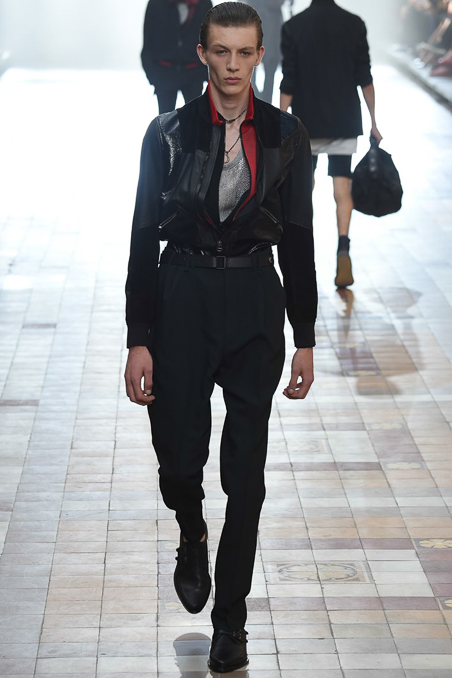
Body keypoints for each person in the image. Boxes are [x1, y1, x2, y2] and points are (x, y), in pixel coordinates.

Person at [125, 2, 317, 673]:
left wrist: (305, 334)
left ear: (260, 56)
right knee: (179, 460)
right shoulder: (167, 133)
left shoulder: (287, 134)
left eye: (244, 53)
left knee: (247, 477)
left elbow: (298, 236)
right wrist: (138, 335)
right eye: (221, 52)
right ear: (203, 54)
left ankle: (230, 622)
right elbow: (141, 233)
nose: (233, 65)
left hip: (255, 298)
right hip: (181, 294)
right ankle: (191, 528)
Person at [280, 0, 383, 288]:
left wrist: (280, 123)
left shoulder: (293, 27)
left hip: (306, 121)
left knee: (305, 188)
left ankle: (304, 251)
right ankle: (343, 251)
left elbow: (289, 79)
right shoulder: (354, 24)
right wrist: (374, 121)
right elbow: (365, 77)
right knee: (342, 187)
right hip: (344, 118)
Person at [141, 0, 212, 113]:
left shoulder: (203, 3)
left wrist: (205, 73)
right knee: (166, 120)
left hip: (193, 73)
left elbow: (210, 41)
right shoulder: (156, 3)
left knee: (195, 119)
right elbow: (148, 44)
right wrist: (153, 76)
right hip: (164, 73)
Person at [244, 0, 286, 103]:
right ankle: (259, 100)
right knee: (255, 71)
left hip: (267, 34)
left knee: (266, 72)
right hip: (261, 32)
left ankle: (260, 100)